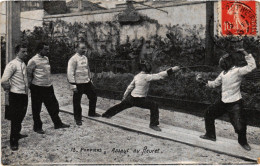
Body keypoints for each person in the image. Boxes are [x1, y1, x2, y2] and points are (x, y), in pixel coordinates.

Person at [196, 49, 256, 151]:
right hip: (224, 101)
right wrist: (203, 81)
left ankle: (243, 143)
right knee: (209, 114)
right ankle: (210, 135)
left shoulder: (237, 71)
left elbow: (252, 66)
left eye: (223, 62)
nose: (222, 63)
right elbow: (214, 84)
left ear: (228, 62)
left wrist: (245, 53)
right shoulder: (223, 73)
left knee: (239, 125)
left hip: (235, 102)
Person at [102, 61, 180, 131]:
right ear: (147, 69)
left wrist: (124, 97)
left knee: (120, 106)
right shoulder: (147, 77)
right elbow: (160, 75)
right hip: (140, 100)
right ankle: (153, 124)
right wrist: (173, 70)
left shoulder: (137, 76)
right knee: (154, 105)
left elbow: (129, 87)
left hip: (131, 98)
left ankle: (106, 114)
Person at [27, 42, 70, 134]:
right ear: (39, 50)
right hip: (37, 87)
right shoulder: (32, 60)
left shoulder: (46, 58)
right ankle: (37, 127)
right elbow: (28, 75)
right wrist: (30, 87)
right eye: (45, 49)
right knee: (36, 108)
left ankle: (57, 123)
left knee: (54, 106)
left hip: (48, 86)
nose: (48, 51)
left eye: (48, 49)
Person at [1, 44, 29, 150]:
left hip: (23, 94)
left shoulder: (23, 63)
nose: (26, 53)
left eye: (26, 51)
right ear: (17, 52)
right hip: (15, 95)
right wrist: (8, 91)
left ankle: (17, 133)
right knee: (15, 118)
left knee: (21, 116)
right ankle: (13, 141)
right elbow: (3, 80)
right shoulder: (12, 64)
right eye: (23, 51)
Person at [67, 42, 100, 126]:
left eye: (85, 48)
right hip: (78, 83)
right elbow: (70, 73)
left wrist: (90, 79)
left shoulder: (85, 58)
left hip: (86, 82)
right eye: (82, 48)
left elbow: (87, 69)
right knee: (77, 101)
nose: (84, 50)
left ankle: (92, 113)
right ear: (76, 49)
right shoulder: (73, 59)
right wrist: (73, 85)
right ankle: (77, 118)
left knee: (93, 96)